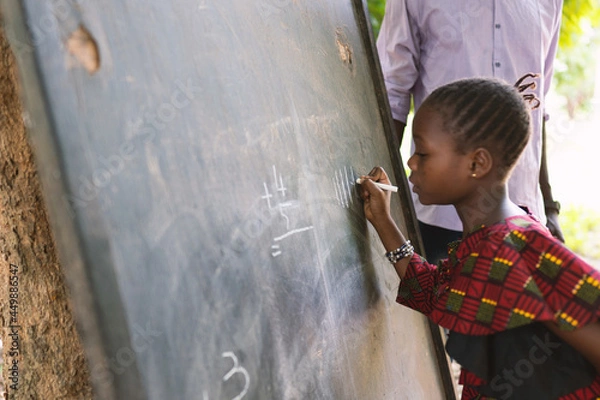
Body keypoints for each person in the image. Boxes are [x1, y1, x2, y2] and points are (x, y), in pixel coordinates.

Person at [358, 76, 600, 399]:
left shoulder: (516, 247)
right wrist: (383, 222)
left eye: (424, 153)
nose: (411, 162)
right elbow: (438, 295)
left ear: (477, 163)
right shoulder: (485, 238)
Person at [376, 0, 565, 264]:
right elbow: (392, 91)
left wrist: (548, 205)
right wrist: (381, 201)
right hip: (439, 217)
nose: (412, 163)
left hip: (523, 209)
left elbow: (537, 105)